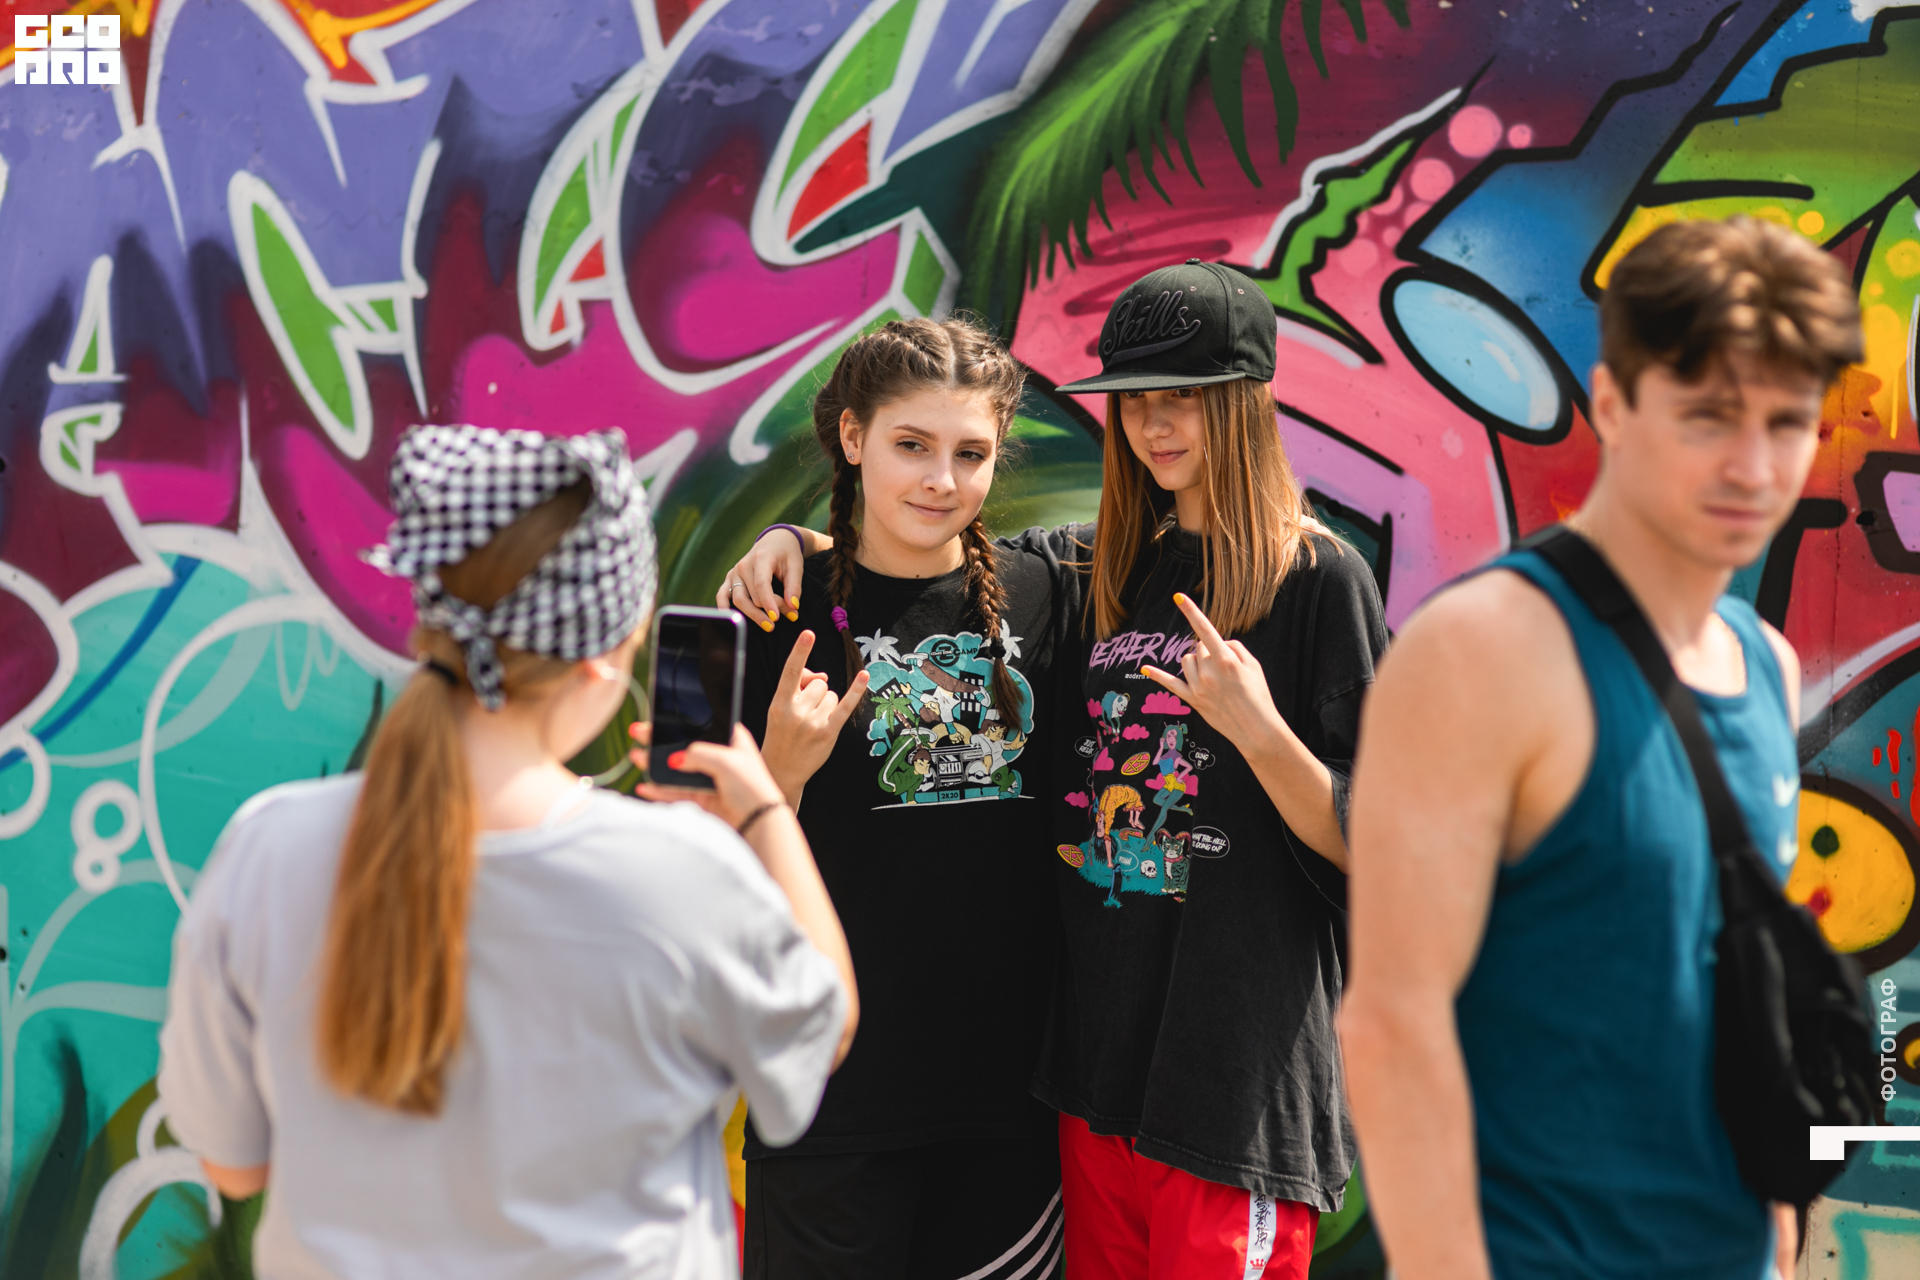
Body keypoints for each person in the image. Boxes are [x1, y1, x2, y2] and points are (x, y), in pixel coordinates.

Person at [723, 260, 1388, 1278]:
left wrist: (1261, 733)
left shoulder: (1283, 578)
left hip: (1184, 1097)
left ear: (1248, 401)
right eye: (1135, 399)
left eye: (1185, 395)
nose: (1155, 423)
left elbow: (1384, 841)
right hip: (1054, 1092)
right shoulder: (1098, 569)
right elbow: (918, 553)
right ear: (854, 439)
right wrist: (792, 548)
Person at [157, 425, 856, 1279]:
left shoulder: (267, 846)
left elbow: (233, 1166)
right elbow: (820, 1034)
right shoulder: (679, 871)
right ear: (605, 658)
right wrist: (765, 812)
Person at [1338, 216, 1865, 1280]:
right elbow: (1392, 1020)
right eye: (1708, 416)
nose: (1753, 466)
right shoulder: (1483, 648)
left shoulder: (1763, 664)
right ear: (1615, 404)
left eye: (1787, 423)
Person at [720, 318, 1076, 1280]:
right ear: (852, 436)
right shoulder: (773, 613)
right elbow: (698, 879)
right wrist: (781, 774)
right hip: (827, 1108)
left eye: (971, 454)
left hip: (1006, 1120)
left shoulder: (1050, 596)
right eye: (911, 445)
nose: (941, 481)